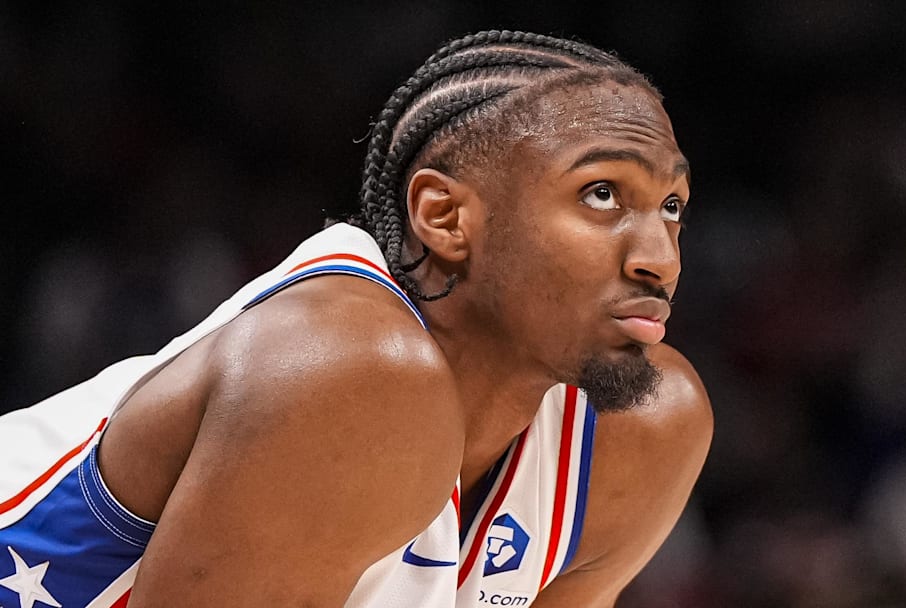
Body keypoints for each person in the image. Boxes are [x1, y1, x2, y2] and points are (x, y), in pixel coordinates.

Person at [0, 30, 712, 607]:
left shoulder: (645, 432)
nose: (662, 258)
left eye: (672, 206)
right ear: (444, 217)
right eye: (601, 194)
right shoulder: (354, 367)